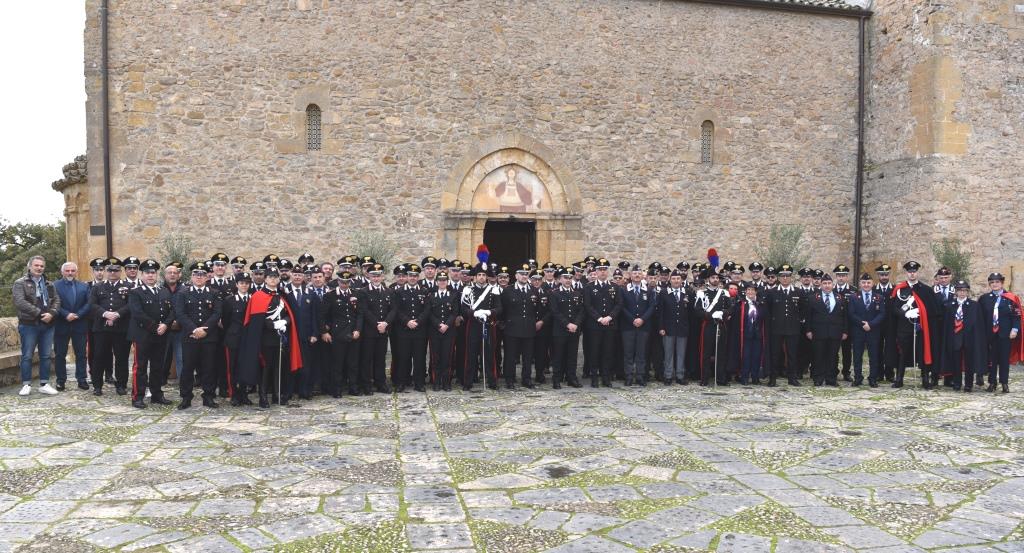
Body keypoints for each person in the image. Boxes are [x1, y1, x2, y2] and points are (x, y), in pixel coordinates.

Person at [238, 268, 302, 407]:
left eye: (275, 277)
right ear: (265, 279)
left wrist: (285, 322)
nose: (273, 279)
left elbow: (290, 314)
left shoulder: (282, 295)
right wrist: (273, 325)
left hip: (281, 337)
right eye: (270, 277)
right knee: (266, 368)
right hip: (265, 338)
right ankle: (263, 396)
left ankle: (277, 394)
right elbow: (257, 320)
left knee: (280, 367)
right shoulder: (258, 296)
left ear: (279, 279)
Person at [173, 262, 223, 409]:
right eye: (196, 274)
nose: (199, 277)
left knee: (209, 367)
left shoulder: (214, 293)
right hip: (190, 337)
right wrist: (194, 330)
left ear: (207, 276)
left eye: (202, 274)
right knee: (188, 368)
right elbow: (180, 314)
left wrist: (204, 330)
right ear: (192, 276)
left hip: (209, 337)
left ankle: (208, 396)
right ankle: (186, 397)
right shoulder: (183, 293)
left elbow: (217, 313)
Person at [127, 259, 174, 408]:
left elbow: (172, 310)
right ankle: (137, 397)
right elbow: (137, 313)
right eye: (147, 273)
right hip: (143, 335)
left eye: (153, 272)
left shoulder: (164, 291)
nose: (150, 275)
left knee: (157, 366)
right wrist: (155, 327)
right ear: (142, 275)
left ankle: (156, 394)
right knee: (140, 367)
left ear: (157, 274)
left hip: (161, 335)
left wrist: (166, 324)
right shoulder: (136, 292)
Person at [12, 256, 61, 397]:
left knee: (46, 355)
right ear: (30, 266)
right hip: (29, 325)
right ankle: (26, 384)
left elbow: (57, 300)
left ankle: (44, 384)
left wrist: (52, 313)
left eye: (41, 266)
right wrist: (40, 314)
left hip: (48, 325)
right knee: (27, 355)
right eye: (36, 265)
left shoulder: (49, 284)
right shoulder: (20, 283)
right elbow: (20, 302)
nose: (39, 268)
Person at [890, 261, 938, 388]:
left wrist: (921, 312)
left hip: (921, 328)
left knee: (923, 352)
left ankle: (925, 379)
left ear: (917, 272)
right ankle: (899, 378)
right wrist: (905, 314)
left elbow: (932, 311)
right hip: (904, 328)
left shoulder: (926, 290)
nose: (912, 274)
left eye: (914, 271)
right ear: (906, 273)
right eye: (910, 272)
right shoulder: (899, 289)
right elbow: (894, 308)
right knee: (902, 353)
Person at [88, 257, 132, 396]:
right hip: (101, 328)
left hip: (121, 328)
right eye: (110, 270)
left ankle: (121, 385)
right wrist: (106, 313)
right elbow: (92, 305)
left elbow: (131, 305)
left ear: (120, 271)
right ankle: (97, 386)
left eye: (116, 270)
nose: (113, 273)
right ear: (106, 271)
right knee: (99, 356)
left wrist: (117, 314)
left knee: (121, 358)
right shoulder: (97, 287)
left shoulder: (129, 287)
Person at [460, 260, 503, 390]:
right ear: (475, 276)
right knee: (471, 353)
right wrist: (474, 313)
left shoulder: (493, 290)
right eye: (479, 275)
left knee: (489, 354)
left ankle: (492, 381)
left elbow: (499, 308)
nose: (481, 277)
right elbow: (463, 308)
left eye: (484, 275)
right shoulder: (468, 290)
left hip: (488, 325)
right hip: (473, 325)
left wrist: (489, 312)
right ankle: (468, 382)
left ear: (487, 277)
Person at [319, 271, 363, 396]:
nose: (345, 284)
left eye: (347, 282)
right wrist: (324, 332)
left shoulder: (356, 294)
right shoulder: (330, 295)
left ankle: (353, 387)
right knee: (337, 363)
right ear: (338, 281)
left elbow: (359, 314)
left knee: (353, 363)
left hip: (353, 333)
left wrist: (358, 330)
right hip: (337, 334)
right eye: (342, 282)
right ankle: (336, 388)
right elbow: (322, 316)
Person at [977, 272, 1022, 393]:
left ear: (1002, 283)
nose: (995, 284)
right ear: (989, 284)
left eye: (997, 282)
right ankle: (992, 383)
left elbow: (1016, 316)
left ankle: (1004, 383)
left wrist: (1015, 329)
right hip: (990, 335)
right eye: (992, 282)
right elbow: (979, 317)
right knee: (992, 360)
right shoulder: (984, 299)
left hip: (1005, 334)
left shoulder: (1011, 298)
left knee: (1003, 360)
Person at [501, 264, 543, 389]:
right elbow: (503, 309)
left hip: (529, 328)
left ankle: (526, 378)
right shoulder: (508, 290)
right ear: (516, 276)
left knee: (528, 356)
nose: (524, 276)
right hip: (512, 328)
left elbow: (538, 309)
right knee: (510, 355)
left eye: (526, 274)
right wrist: (504, 324)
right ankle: (510, 378)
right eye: (521, 274)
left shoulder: (534, 290)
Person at [583, 259, 622, 388]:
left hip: (610, 325)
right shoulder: (589, 287)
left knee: (608, 352)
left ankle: (606, 377)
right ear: (596, 271)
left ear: (608, 271)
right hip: (595, 326)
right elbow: (588, 306)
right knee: (594, 351)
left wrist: (609, 317)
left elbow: (618, 304)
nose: (602, 272)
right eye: (600, 269)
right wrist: (600, 319)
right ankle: (594, 378)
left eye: (605, 269)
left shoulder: (614, 287)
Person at [804, 273, 848, 386]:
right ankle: (818, 378)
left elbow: (845, 317)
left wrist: (845, 331)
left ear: (832, 285)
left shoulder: (840, 298)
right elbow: (808, 316)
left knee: (833, 356)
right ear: (821, 285)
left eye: (829, 283)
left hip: (835, 333)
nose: (827, 285)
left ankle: (831, 378)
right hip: (818, 332)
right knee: (818, 356)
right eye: (824, 283)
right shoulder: (813, 298)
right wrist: (808, 330)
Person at [53, 261, 91, 391]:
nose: (70, 273)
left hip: (79, 324)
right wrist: (66, 314)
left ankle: (82, 379)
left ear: (76, 272)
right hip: (61, 324)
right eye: (67, 271)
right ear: (62, 271)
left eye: (72, 271)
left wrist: (78, 315)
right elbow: (53, 303)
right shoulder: (54, 286)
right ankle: (60, 381)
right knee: (60, 354)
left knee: (81, 354)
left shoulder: (84, 286)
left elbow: (88, 303)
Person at [359, 263, 396, 393]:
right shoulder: (363, 292)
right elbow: (364, 310)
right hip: (369, 331)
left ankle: (381, 383)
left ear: (382, 277)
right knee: (367, 359)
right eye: (373, 276)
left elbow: (393, 310)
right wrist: (377, 324)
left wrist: (385, 323)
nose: (376, 278)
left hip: (383, 331)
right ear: (369, 276)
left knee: (381, 358)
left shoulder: (388, 291)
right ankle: (366, 384)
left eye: (378, 276)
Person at [764, 265, 804, 387]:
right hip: (776, 328)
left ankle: (792, 378)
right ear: (779, 278)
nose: (785, 278)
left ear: (791, 277)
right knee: (775, 354)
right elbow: (768, 311)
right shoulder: (772, 292)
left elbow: (802, 310)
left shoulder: (798, 292)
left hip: (793, 328)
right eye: (782, 276)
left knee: (792, 354)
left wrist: (799, 322)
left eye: (787, 276)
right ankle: (773, 378)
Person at [941, 280, 983, 392]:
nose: (962, 293)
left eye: (964, 290)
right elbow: (947, 324)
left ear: (968, 292)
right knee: (956, 362)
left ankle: (968, 384)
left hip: (969, 338)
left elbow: (978, 323)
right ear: (956, 292)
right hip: (955, 337)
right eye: (959, 290)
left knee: (969, 362)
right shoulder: (950, 305)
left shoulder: (974, 305)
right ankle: (957, 383)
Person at [848, 273, 886, 387]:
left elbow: (882, 314)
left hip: (873, 331)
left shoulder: (879, 297)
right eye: (863, 282)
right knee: (857, 356)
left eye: (868, 282)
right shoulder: (854, 297)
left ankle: (873, 378)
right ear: (860, 284)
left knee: (874, 356)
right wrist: (862, 324)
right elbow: (851, 314)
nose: (866, 285)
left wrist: (871, 324)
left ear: (872, 283)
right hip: (858, 331)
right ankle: (858, 378)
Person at [620, 265, 656, 386]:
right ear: (630, 275)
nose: (636, 275)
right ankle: (629, 376)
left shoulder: (649, 290)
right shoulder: (624, 289)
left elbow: (651, 307)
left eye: (639, 273)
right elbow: (622, 307)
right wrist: (632, 319)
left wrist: (642, 319)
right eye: (634, 273)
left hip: (643, 327)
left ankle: (640, 376)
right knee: (628, 353)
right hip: (628, 327)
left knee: (641, 353)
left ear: (642, 276)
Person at [695, 268, 732, 386]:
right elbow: (698, 310)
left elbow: (730, 308)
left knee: (721, 353)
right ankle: (704, 378)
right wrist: (710, 316)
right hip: (708, 325)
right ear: (708, 279)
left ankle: (720, 378)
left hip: (721, 324)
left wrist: (724, 314)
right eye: (713, 278)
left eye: (717, 278)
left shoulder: (724, 293)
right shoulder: (701, 293)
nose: (715, 280)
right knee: (706, 353)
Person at [549, 268, 584, 389]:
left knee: (572, 355)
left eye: (570, 278)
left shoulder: (577, 294)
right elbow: (555, 312)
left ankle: (571, 378)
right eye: (565, 278)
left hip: (574, 329)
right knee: (558, 355)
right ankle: (557, 379)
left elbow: (581, 311)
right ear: (560, 279)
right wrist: (567, 324)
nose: (568, 280)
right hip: (560, 330)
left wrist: (575, 324)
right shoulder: (554, 293)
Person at [729, 282, 768, 385]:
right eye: (749, 290)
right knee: (746, 356)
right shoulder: (741, 304)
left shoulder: (760, 304)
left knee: (756, 356)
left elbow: (764, 317)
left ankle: (755, 377)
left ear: (756, 292)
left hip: (758, 335)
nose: (750, 292)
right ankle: (745, 377)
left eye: (753, 290)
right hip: (745, 334)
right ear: (745, 292)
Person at [224, 272, 252, 405]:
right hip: (234, 338)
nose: (244, 285)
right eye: (242, 283)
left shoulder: (253, 299)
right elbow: (225, 321)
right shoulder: (230, 300)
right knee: (233, 367)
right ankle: (234, 394)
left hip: (248, 339)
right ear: (237, 284)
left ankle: (244, 394)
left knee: (246, 367)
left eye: (246, 283)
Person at [427, 271, 458, 391]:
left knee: (447, 357)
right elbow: (429, 313)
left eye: (444, 280)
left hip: (449, 331)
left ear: (447, 282)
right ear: (436, 282)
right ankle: (436, 382)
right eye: (440, 280)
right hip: (434, 331)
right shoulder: (431, 296)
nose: (442, 282)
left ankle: (446, 382)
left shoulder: (453, 295)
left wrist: (446, 325)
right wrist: (439, 324)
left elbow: (454, 312)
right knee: (436, 357)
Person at [659, 269, 690, 385]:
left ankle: (680, 375)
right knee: (668, 353)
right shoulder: (663, 293)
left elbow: (690, 313)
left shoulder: (687, 292)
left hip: (682, 328)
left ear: (681, 280)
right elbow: (660, 312)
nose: (676, 281)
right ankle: (668, 375)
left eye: (678, 279)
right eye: (674, 278)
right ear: (670, 280)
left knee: (681, 353)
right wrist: (661, 327)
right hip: (668, 328)